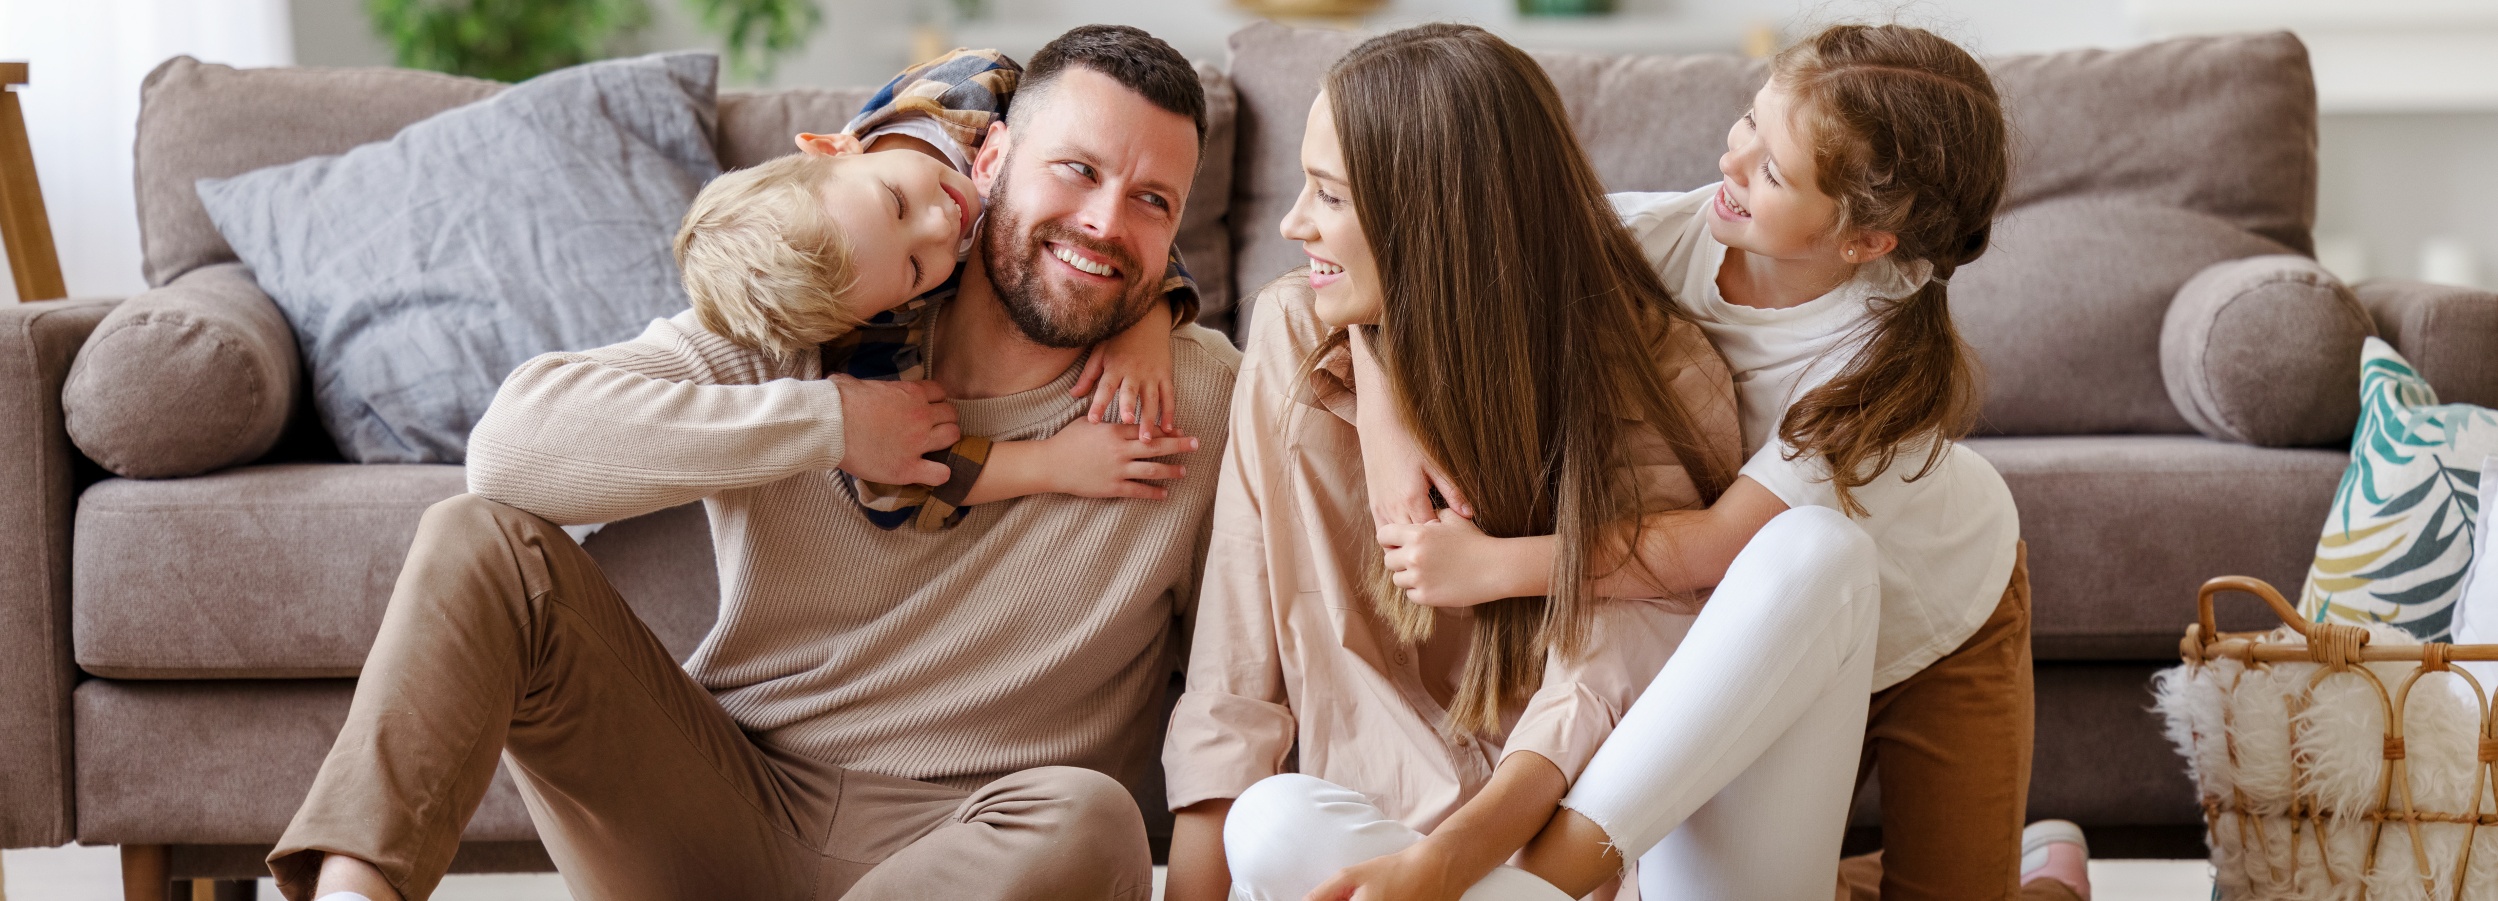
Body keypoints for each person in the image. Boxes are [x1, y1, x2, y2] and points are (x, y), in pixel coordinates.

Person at [267, 24, 1236, 901]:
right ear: (989, 161)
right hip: (726, 805)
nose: (1105, 222)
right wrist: (828, 422)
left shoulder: (1202, 398)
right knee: (479, 543)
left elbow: (1240, 688)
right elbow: (512, 454)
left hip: (980, 846)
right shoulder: (823, 304)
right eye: (1074, 170)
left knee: (1089, 816)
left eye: (1151, 201)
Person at [1342, 23, 2082, 901]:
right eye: (1750, 122)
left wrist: (1494, 566)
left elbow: (1712, 543)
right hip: (1775, 628)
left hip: (1937, 616)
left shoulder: (1875, 371)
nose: (1731, 161)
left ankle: (2047, 878)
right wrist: (1389, 435)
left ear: (1864, 242)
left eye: (1773, 172)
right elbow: (1385, 284)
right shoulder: (1653, 237)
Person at [1159, 24, 1749, 901]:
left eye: (1329, 195)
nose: (1292, 223)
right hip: (1346, 849)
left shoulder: (1661, 374)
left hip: (1540, 860)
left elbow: (1611, 681)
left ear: (1432, 219)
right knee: (1273, 823)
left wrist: (1442, 866)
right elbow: (1234, 668)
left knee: (1279, 829)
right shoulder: (1296, 334)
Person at [673, 138, 1191, 510]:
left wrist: (1144, 323)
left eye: (897, 202)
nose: (942, 223)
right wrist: (1053, 464)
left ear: (836, 148)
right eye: (916, 268)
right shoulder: (873, 341)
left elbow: (1115, 160)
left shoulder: (964, 95)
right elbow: (902, 484)